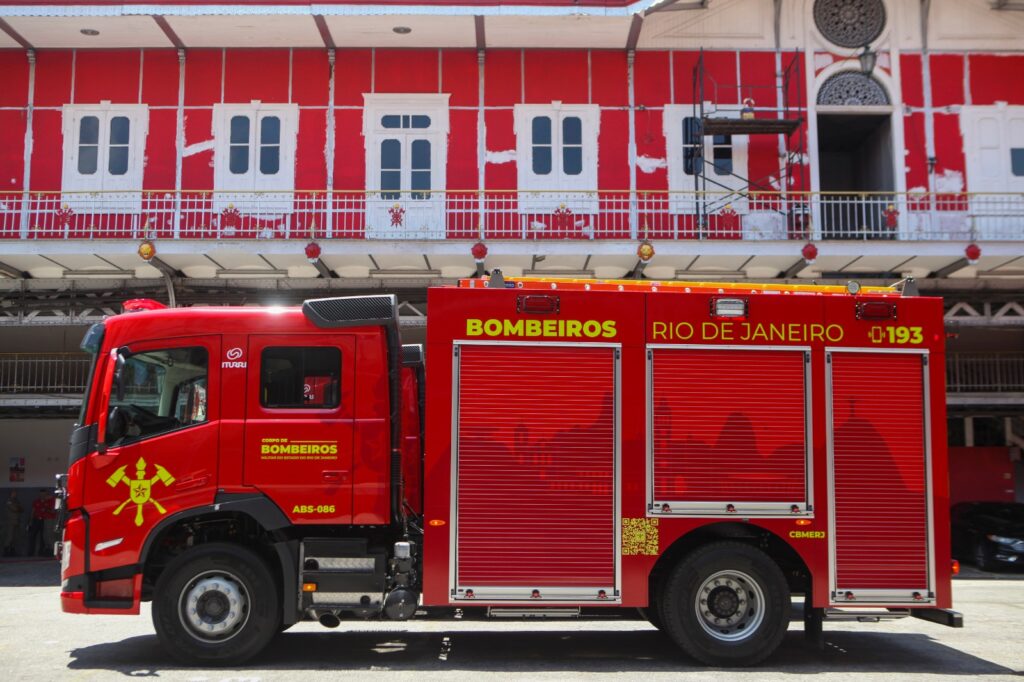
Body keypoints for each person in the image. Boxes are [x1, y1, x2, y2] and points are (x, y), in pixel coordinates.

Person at [27, 489, 56, 557]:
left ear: (47, 495)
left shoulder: (51, 501)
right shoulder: (37, 501)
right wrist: (30, 521)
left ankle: (45, 551)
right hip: (37, 520)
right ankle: (31, 552)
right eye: (41, 494)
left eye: (44, 495)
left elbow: (53, 511)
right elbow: (33, 511)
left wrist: (46, 508)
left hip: (46, 520)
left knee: (46, 536)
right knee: (34, 536)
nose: (42, 496)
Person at [4, 491, 22, 557]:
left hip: (16, 521)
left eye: (15, 493)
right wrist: (17, 507)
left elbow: (21, 509)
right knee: (9, 537)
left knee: (15, 537)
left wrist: (18, 507)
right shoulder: (9, 501)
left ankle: (12, 551)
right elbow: (14, 509)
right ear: (11, 494)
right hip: (10, 522)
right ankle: (6, 551)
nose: (15, 494)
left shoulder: (16, 501)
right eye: (13, 493)